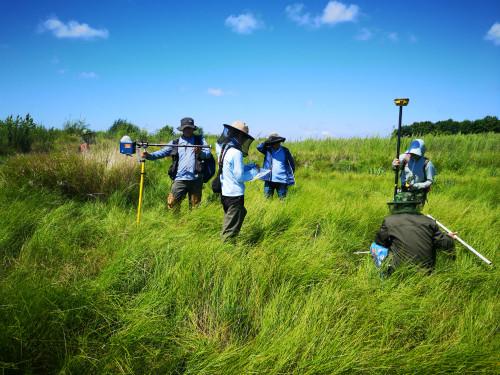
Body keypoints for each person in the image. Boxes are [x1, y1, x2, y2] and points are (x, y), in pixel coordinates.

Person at [373, 192, 456, 275]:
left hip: (400, 272)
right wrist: (448, 237)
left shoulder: (389, 221)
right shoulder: (429, 221)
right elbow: (444, 243)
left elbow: (380, 242)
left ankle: (382, 275)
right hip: (427, 272)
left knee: (374, 246)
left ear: (396, 205)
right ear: (415, 205)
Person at [142, 117, 211, 210]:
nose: (187, 130)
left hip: (196, 179)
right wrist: (149, 155)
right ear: (182, 129)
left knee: (195, 207)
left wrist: (200, 153)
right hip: (179, 179)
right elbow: (162, 152)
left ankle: (192, 223)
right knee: (172, 204)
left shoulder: (200, 140)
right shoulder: (175, 142)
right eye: (185, 128)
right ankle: (176, 223)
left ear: (193, 129)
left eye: (189, 128)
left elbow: (208, 154)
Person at [216, 120, 259, 241]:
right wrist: (256, 173)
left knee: (232, 220)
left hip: (225, 193)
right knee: (230, 230)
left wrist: (249, 166)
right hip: (235, 195)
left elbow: (231, 169)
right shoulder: (236, 152)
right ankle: (226, 252)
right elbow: (239, 176)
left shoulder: (223, 148)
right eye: (244, 137)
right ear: (240, 135)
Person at [392, 138, 436, 204]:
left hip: (418, 194)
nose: (413, 155)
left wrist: (417, 185)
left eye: (415, 153)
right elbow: (396, 169)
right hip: (403, 191)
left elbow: (430, 181)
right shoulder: (403, 158)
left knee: (413, 213)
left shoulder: (427, 164)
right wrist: (394, 165)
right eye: (411, 153)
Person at [256, 133, 296, 199]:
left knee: (283, 201)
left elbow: (291, 164)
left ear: (279, 142)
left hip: (282, 181)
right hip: (269, 180)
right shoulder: (268, 150)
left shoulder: (285, 150)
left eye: (275, 142)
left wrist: (289, 175)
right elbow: (259, 147)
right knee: (267, 200)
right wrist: (266, 142)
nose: (274, 144)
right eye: (272, 142)